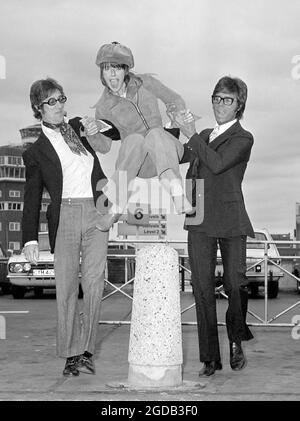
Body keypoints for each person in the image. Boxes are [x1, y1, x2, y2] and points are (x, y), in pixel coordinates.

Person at [22, 77, 109, 377]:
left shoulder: (78, 127)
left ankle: (86, 351)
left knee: (95, 283)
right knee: (68, 287)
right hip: (66, 215)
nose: (60, 106)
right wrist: (30, 240)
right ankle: (70, 355)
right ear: (39, 108)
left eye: (62, 99)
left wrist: (99, 128)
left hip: (96, 211)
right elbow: (31, 197)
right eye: (52, 102)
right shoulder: (35, 153)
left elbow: (116, 133)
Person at [180, 76, 254, 376]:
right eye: (216, 98)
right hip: (199, 221)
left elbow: (218, 163)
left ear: (239, 106)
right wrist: (165, 133)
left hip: (231, 220)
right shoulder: (204, 134)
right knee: (201, 289)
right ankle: (210, 357)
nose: (219, 104)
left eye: (227, 99)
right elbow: (184, 155)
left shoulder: (243, 137)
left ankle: (236, 338)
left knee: (236, 284)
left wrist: (192, 135)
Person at [86, 41, 196, 230]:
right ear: (102, 73)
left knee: (155, 134)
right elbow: (104, 147)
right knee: (134, 139)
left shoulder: (147, 83)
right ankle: (116, 208)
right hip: (140, 163)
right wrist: (92, 134)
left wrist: (176, 112)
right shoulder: (103, 107)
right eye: (107, 69)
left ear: (126, 70)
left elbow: (174, 99)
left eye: (117, 68)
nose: (112, 74)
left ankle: (176, 190)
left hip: (166, 151)